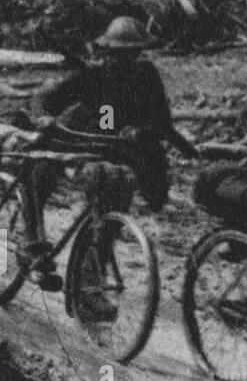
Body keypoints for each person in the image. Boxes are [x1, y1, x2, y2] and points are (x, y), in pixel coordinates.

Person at [26, 16, 198, 299]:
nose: (125, 60)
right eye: (118, 54)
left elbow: (162, 121)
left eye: (131, 54)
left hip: (123, 151)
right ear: (107, 52)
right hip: (87, 142)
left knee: (115, 203)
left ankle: (91, 276)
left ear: (139, 53)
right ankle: (33, 237)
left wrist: (171, 143)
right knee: (43, 166)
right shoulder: (94, 75)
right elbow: (47, 96)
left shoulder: (146, 75)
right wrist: (44, 118)